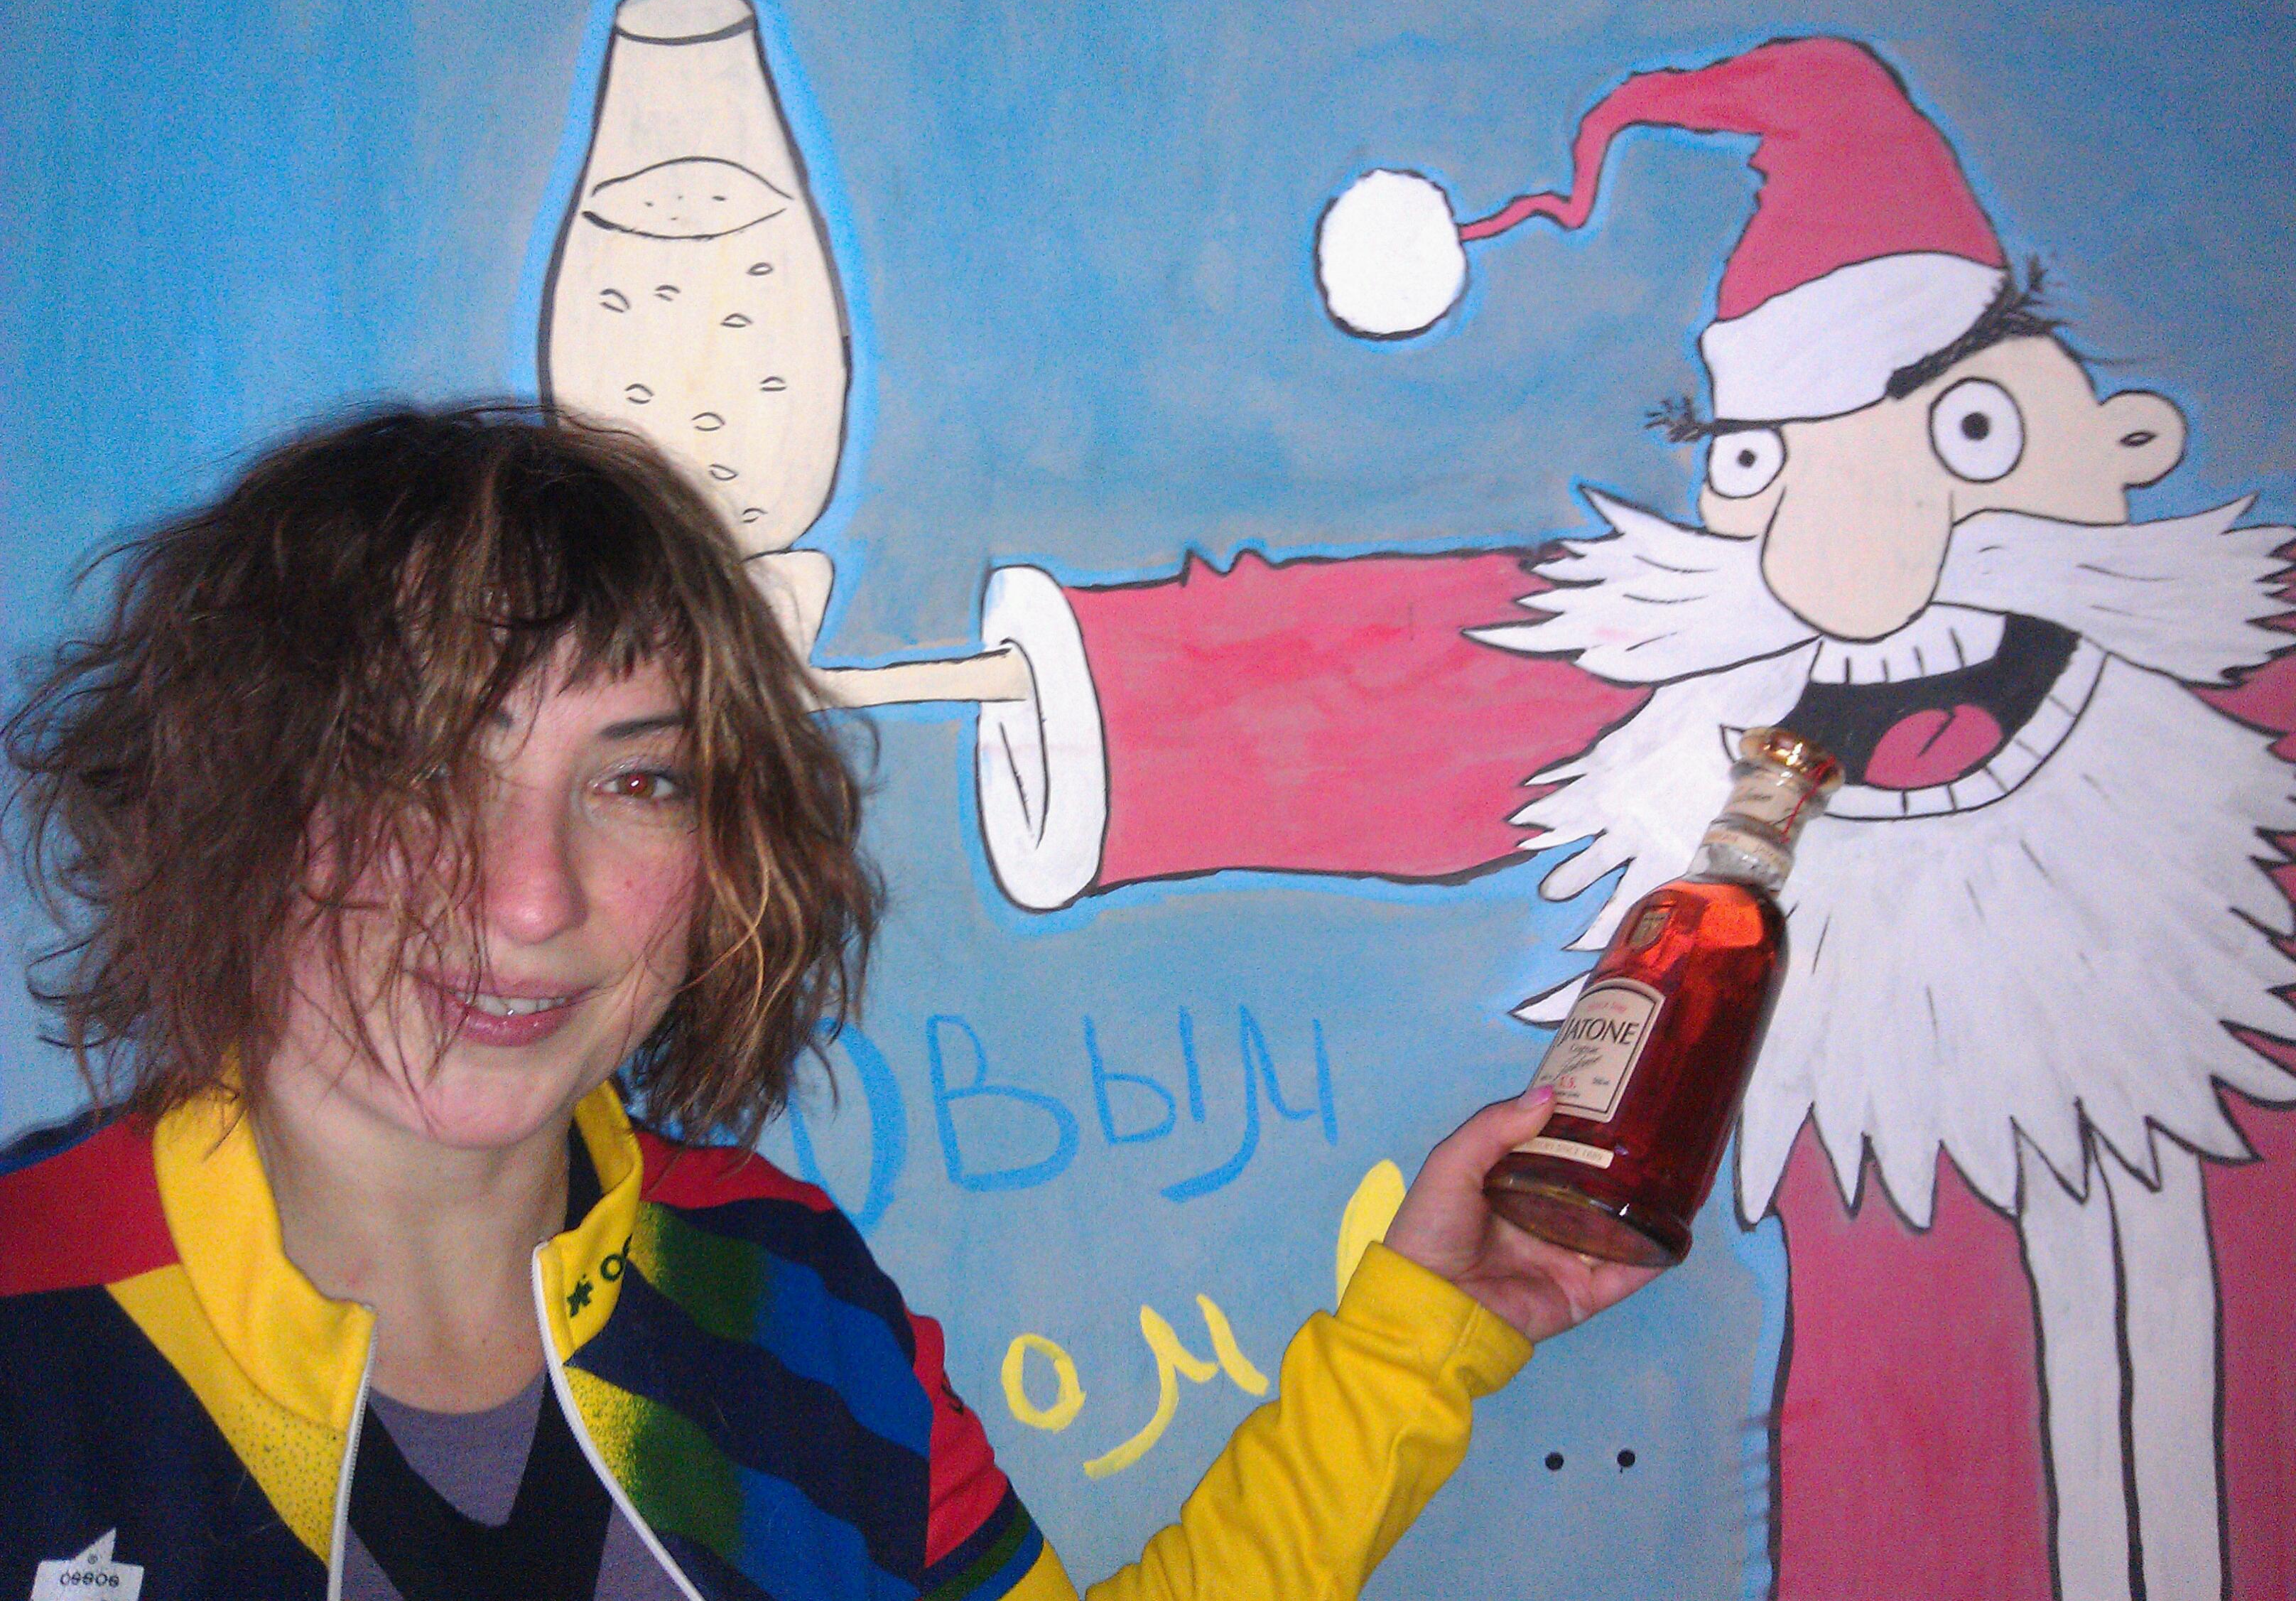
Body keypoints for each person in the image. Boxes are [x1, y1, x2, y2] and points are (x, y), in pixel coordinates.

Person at [0, 405, 1657, 1599]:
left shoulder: (783, 1290)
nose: (528, 899)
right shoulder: (37, 1332)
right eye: (413, 766)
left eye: (636, 780)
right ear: (223, 792)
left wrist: (1423, 1333)